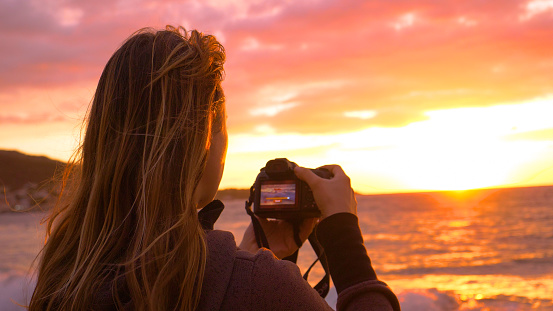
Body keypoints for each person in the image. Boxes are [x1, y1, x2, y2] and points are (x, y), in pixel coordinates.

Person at [29, 26, 400, 311]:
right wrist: (343, 235)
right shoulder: (256, 285)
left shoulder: (63, 276)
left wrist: (271, 260)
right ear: (207, 138)